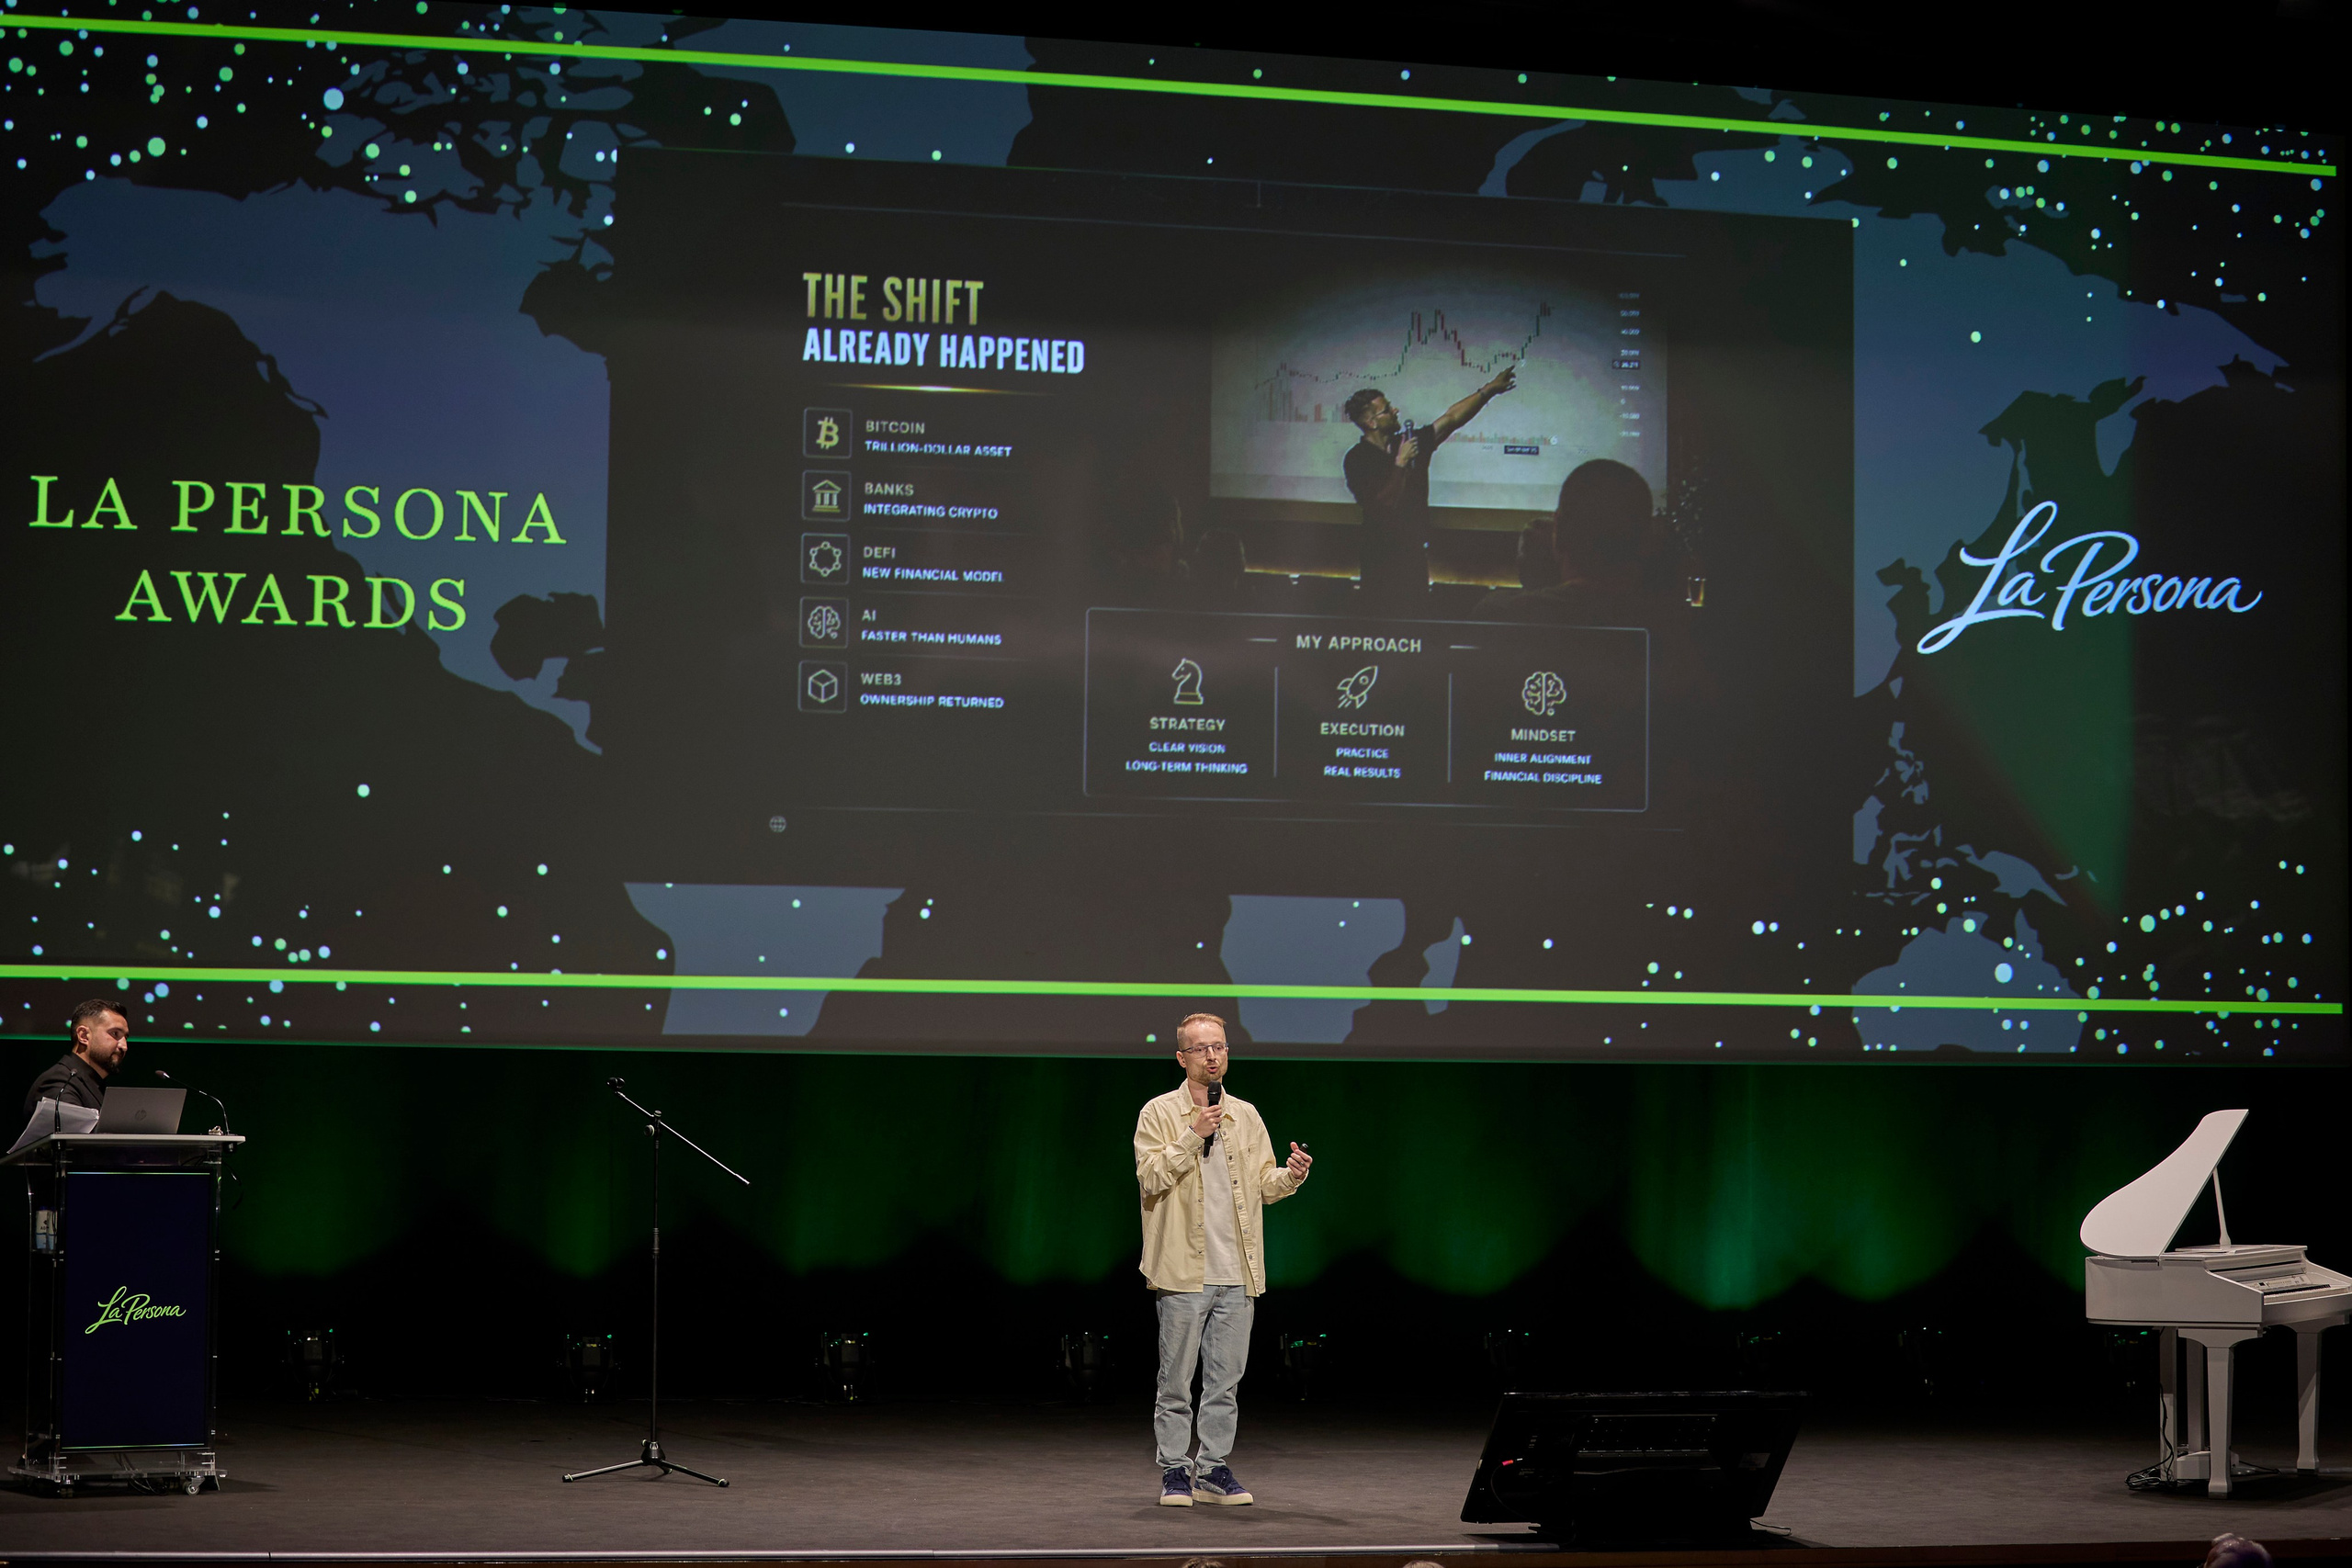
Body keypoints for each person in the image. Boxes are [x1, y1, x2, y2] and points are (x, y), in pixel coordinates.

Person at [1133, 1012, 1312, 1507]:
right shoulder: (1158, 1113)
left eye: (1219, 1047)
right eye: (1200, 1048)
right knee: (1175, 1382)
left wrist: (1291, 1175)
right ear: (1182, 1058)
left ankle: (1212, 1468)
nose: (1212, 1056)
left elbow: (1264, 1187)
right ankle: (1174, 1469)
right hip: (1182, 1271)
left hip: (1237, 1272)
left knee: (1224, 1382)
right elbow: (1150, 1177)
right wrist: (1193, 1133)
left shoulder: (1247, 1115)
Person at [1340, 367, 1516, 604]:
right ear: (1372, 422)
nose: (1396, 410)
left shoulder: (1408, 442)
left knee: (1414, 620)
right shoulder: (1357, 459)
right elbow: (1382, 503)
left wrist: (1489, 390)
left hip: (1413, 554)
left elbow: (1451, 419)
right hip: (1379, 558)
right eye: (1387, 410)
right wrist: (1401, 463)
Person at [23, 997, 130, 1123]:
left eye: (125, 1037)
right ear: (83, 1035)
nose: (124, 1046)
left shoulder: (93, 1084)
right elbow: (75, 1138)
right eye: (115, 1034)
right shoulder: (59, 1082)